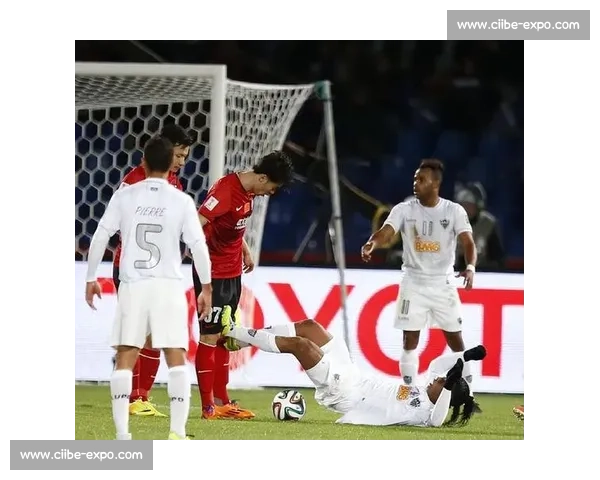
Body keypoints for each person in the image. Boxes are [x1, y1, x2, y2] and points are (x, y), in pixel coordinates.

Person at [84, 135, 213, 440]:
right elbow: (198, 246)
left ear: (143, 161)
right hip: (168, 286)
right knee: (176, 356)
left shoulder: (125, 195)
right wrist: (206, 288)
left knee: (126, 355)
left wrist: (91, 277)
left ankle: (122, 436)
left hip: (133, 285)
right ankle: (177, 433)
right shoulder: (181, 200)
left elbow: (100, 236)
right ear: (171, 164)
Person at [222, 310, 484, 427]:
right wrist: (466, 355)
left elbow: (439, 417)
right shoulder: (425, 388)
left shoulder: (426, 415)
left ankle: (232, 330)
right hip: (353, 375)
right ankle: (241, 341)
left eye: (442, 382)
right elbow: (438, 364)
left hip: (344, 392)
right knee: (310, 327)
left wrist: (451, 383)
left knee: (301, 345)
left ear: (446, 394)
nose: (437, 379)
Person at [360, 159, 481, 407]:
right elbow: (386, 231)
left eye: (422, 179)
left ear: (436, 184)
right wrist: (372, 243)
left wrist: (470, 267)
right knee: (409, 339)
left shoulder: (453, 211)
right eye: (415, 178)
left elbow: (468, 242)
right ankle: (408, 391)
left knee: (455, 339)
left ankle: (469, 390)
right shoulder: (405, 209)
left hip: (443, 283)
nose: (416, 183)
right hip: (413, 282)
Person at [193, 151, 294, 419]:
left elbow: (233, 226)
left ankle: (222, 401)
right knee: (209, 336)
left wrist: (245, 250)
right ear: (262, 178)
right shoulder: (226, 190)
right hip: (213, 273)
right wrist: (203, 266)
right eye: (271, 187)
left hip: (232, 272)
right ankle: (208, 407)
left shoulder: (248, 192)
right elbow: (196, 224)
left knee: (224, 335)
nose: (270, 192)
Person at [112, 124, 194, 417]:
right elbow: (115, 221)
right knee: (140, 334)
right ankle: (133, 397)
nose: (182, 162)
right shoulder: (135, 180)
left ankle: (139, 397)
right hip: (132, 269)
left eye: (185, 156)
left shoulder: (174, 183)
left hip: (159, 272)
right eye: (179, 155)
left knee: (153, 334)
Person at [454, 183, 505, 271]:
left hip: (482, 273)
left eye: (470, 205)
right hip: (454, 272)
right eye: (463, 204)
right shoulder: (450, 222)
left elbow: (497, 258)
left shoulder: (488, 224)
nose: (466, 208)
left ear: (478, 205)